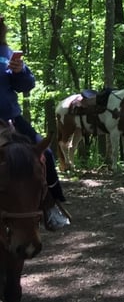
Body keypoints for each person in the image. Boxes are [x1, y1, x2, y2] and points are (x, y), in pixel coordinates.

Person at [0, 15, 71, 230]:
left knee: (45, 154)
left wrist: (20, 72)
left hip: (10, 118)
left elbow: (26, 85)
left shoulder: (6, 53)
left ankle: (50, 207)